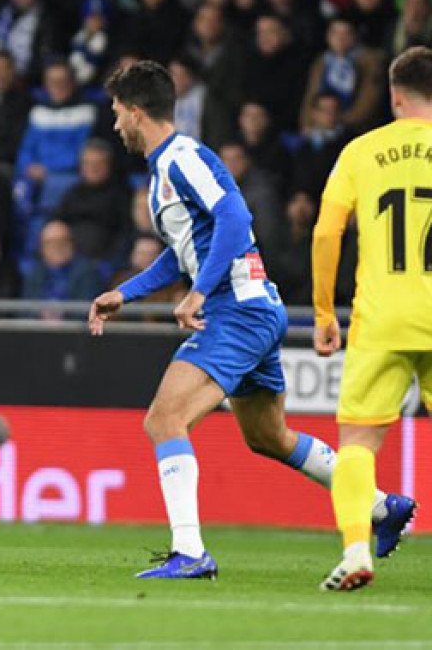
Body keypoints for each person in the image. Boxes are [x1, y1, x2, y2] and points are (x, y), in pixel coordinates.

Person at [86, 61, 409, 580]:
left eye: (117, 111)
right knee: (268, 436)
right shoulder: (164, 170)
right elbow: (183, 253)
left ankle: (190, 552)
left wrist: (198, 293)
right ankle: (380, 507)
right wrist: (126, 293)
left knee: (164, 420)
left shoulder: (183, 158)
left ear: (137, 111)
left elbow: (236, 218)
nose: (115, 123)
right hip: (252, 308)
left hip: (236, 311)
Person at [311, 46, 430, 591]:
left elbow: (326, 232)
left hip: (382, 317)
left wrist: (323, 310)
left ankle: (357, 550)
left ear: (394, 95)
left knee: (358, 441)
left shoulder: (361, 151)